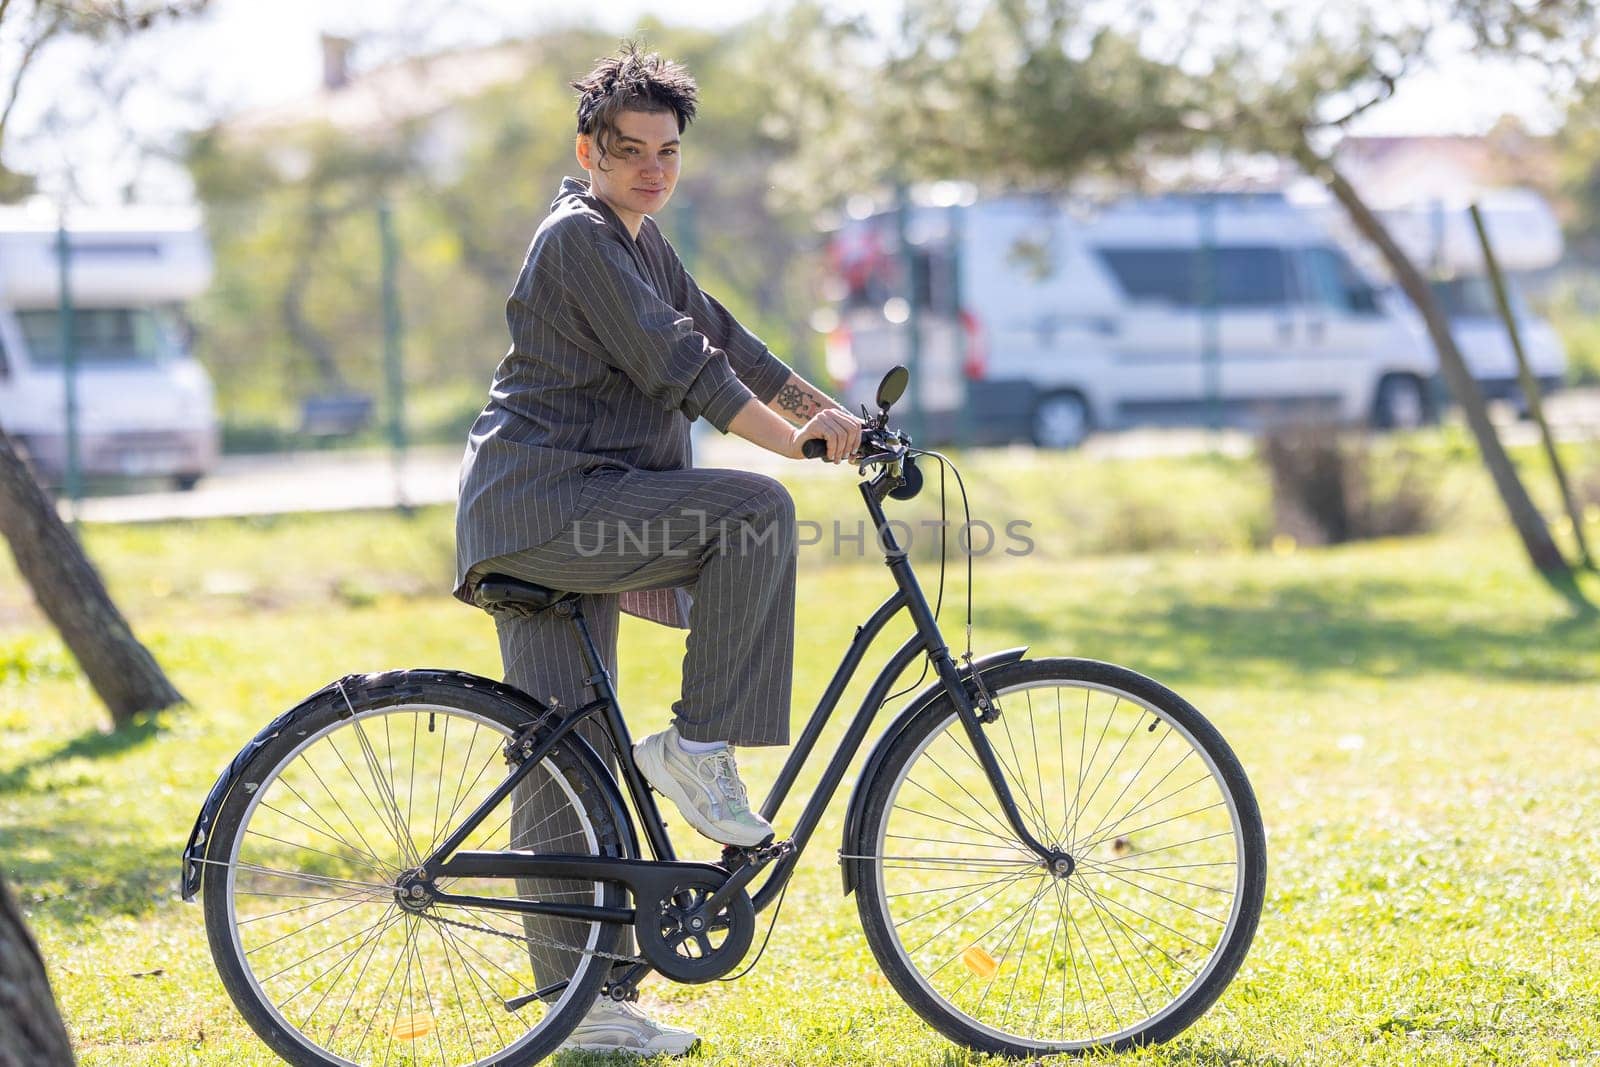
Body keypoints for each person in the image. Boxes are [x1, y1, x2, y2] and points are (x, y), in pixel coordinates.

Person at [453, 44, 862, 1056]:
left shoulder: (640, 241)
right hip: (549, 504)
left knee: (567, 761)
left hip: (562, 510)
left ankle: (583, 1008)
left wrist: (839, 417)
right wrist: (792, 444)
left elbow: (730, 340)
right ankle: (698, 744)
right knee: (755, 512)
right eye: (629, 149)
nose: (651, 168)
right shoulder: (579, 239)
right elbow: (687, 369)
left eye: (666, 152)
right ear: (587, 147)